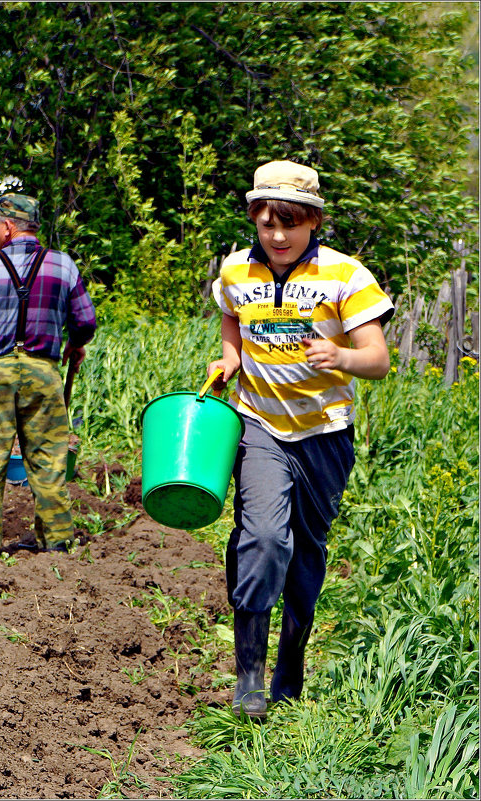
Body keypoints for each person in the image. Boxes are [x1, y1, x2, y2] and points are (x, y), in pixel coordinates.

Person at [208, 160, 394, 717]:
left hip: (323, 436)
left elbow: (378, 359)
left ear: (313, 220)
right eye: (267, 224)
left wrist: (341, 356)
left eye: (289, 222)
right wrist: (229, 359)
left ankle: (291, 667)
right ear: (254, 221)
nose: (278, 236)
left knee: (305, 554)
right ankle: (249, 680)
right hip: (260, 425)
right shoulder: (236, 272)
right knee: (263, 538)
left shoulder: (346, 276)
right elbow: (232, 322)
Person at [0, 193, 96, 557]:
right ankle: (56, 543)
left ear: (8, 227)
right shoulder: (63, 265)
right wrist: (74, 343)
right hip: (43, 372)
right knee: (48, 462)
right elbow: (85, 322)